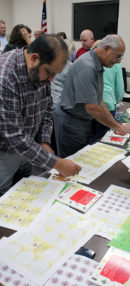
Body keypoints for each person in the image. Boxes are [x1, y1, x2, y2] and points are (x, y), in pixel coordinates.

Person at [0, 34, 81, 196]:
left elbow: (47, 107)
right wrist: (57, 163)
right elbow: (14, 137)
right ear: (34, 58)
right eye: (49, 73)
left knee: (31, 190)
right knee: (6, 199)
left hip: (28, 146)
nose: (51, 80)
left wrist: (44, 139)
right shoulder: (5, 78)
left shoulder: (40, 72)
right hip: (4, 151)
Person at [54, 34, 130, 158]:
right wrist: (117, 126)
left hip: (80, 121)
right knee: (73, 161)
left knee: (82, 158)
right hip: (70, 122)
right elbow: (92, 106)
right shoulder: (87, 66)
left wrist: (116, 124)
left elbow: (99, 100)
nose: (119, 61)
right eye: (118, 56)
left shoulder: (97, 63)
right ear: (106, 49)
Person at [89, 40, 125, 142]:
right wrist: (116, 101)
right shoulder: (115, 65)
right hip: (107, 103)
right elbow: (119, 88)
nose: (118, 60)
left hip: (92, 103)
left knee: (91, 135)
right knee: (103, 138)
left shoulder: (92, 63)